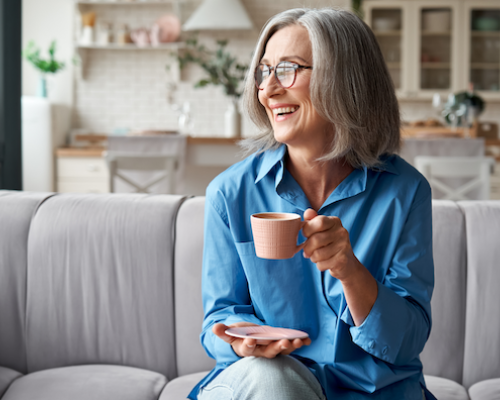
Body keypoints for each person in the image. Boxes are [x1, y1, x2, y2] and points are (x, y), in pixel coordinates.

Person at [188, 7, 436, 400]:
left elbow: (406, 342)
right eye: (263, 71)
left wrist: (350, 271)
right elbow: (218, 319)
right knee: (273, 382)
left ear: (345, 80)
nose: (268, 90)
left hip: (373, 392)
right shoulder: (230, 193)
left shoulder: (405, 193)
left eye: (287, 69)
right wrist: (241, 342)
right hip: (267, 383)